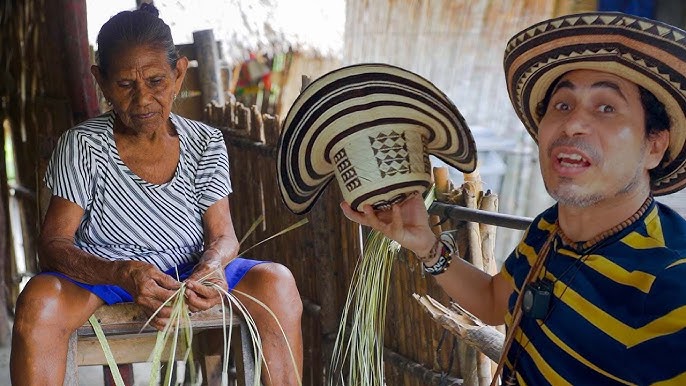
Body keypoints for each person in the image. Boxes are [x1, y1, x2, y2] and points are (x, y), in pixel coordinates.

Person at [342, 11, 686, 385]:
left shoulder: (671, 285)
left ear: (655, 145)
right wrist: (426, 245)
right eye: (562, 105)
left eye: (606, 107)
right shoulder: (550, 228)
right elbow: (494, 301)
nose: (572, 124)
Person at [10, 4, 302, 386]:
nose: (143, 99)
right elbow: (53, 245)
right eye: (126, 85)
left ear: (179, 73)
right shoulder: (82, 145)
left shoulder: (205, 142)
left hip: (189, 275)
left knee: (277, 283)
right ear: (101, 81)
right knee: (38, 301)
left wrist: (212, 267)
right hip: (107, 276)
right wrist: (122, 272)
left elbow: (223, 235)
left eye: (156, 81)